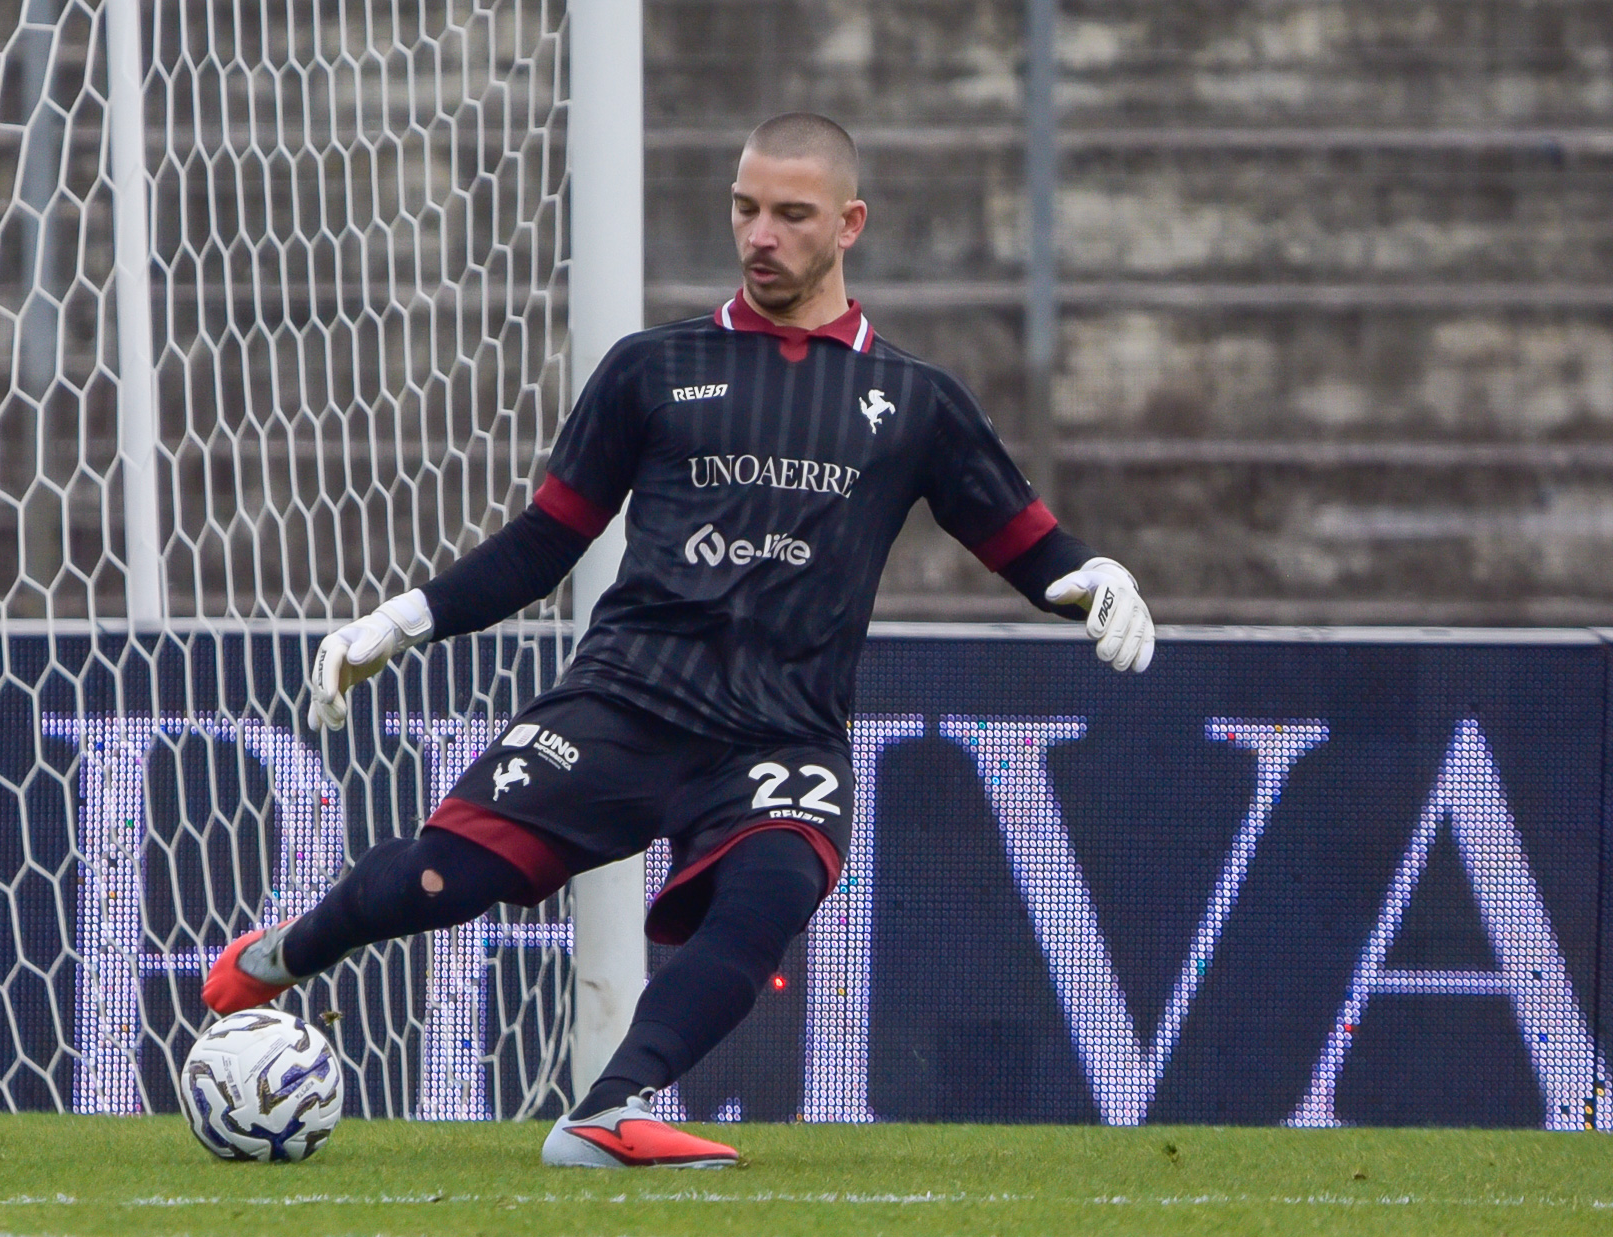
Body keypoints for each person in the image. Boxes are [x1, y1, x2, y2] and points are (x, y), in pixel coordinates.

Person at [204, 112, 1154, 1168]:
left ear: (850, 225)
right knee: (445, 881)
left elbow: (1030, 547)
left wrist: (1096, 577)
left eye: (792, 215)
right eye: (746, 209)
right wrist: (400, 620)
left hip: (780, 732)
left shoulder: (915, 402)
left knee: (771, 892)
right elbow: (544, 543)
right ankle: (282, 954)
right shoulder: (651, 369)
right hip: (625, 701)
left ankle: (607, 1110)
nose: (761, 235)